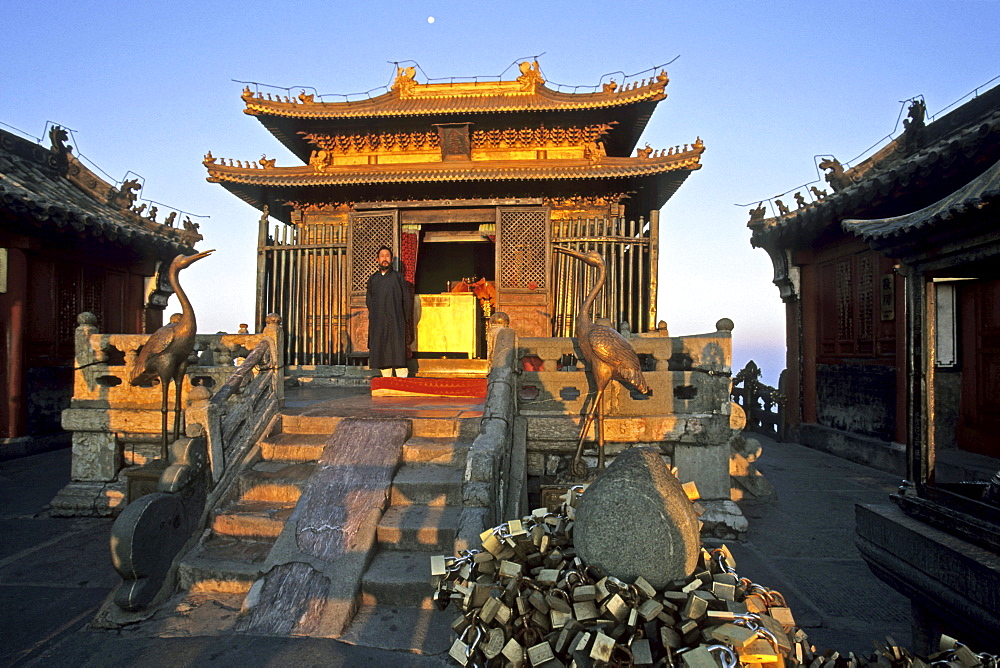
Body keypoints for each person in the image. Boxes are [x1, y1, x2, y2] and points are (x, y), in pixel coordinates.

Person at [365, 245, 412, 377]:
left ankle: (402, 382)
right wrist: (376, 316)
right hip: (379, 321)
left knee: (398, 353)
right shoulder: (373, 279)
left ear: (391, 260)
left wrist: (402, 319)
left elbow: (406, 300)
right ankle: (386, 381)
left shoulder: (398, 278)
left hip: (396, 321)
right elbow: (369, 301)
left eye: (387, 256)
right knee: (383, 354)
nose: (385, 259)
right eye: (382, 256)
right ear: (377, 260)